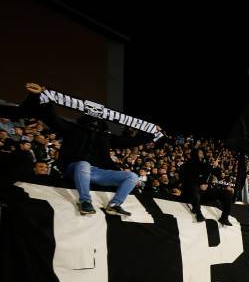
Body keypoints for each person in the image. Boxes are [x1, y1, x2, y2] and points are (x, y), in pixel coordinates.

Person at [23, 83, 162, 216]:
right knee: (84, 164)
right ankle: (85, 201)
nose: (95, 124)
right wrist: (41, 96)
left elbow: (132, 141)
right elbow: (52, 118)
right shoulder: (73, 129)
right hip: (75, 168)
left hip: (98, 172)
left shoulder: (106, 137)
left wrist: (150, 132)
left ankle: (114, 205)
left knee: (132, 176)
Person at [179, 148, 233, 226]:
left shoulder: (206, 164)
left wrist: (216, 166)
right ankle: (198, 214)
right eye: (200, 152)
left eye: (202, 153)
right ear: (195, 154)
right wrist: (199, 184)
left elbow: (217, 174)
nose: (202, 154)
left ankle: (224, 218)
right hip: (191, 192)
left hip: (204, 192)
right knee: (194, 188)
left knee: (227, 193)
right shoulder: (188, 164)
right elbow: (187, 179)